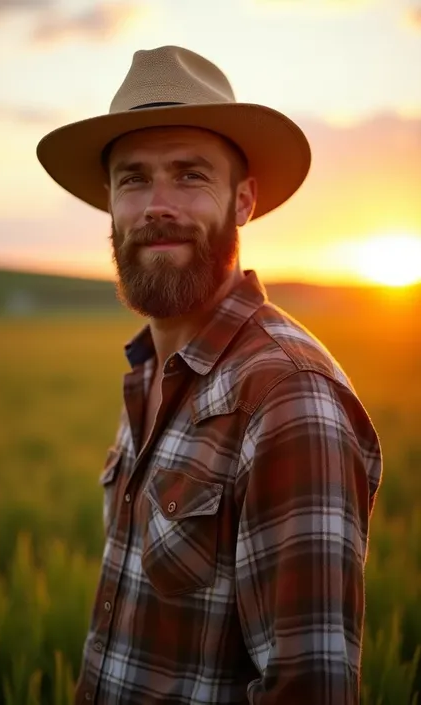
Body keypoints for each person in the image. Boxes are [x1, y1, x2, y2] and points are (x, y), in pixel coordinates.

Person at [37, 45, 382, 705]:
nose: (156, 204)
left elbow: (308, 690)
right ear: (110, 204)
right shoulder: (150, 376)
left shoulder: (286, 395)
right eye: (132, 179)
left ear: (244, 199)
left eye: (190, 175)